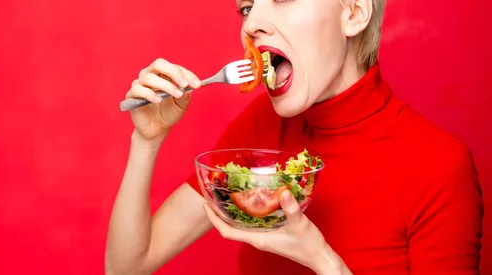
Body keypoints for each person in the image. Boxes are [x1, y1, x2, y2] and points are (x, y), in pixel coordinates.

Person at [105, 0, 484, 274]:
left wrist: (323, 261)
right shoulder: (259, 127)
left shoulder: (439, 167)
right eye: (247, 7)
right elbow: (128, 266)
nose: (251, 24)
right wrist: (147, 141)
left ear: (353, 12)